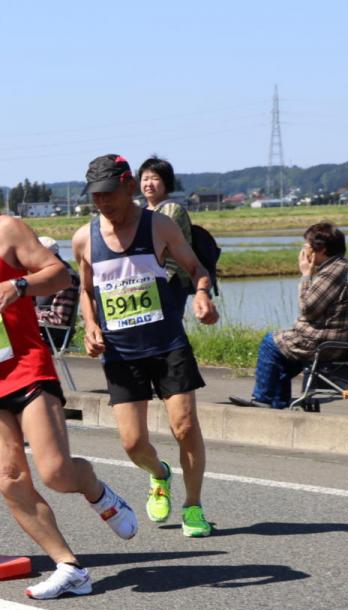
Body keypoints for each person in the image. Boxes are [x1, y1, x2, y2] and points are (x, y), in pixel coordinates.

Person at [0, 158, 138, 600]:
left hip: (26, 368)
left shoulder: (6, 231)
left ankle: (96, 490)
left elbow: (58, 274)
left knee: (55, 472)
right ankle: (69, 566)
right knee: (9, 477)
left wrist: (17, 287)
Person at [72, 154, 219, 538]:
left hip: (167, 342)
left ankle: (193, 506)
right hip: (121, 352)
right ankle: (159, 474)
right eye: (95, 197)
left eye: (109, 194)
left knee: (184, 426)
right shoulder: (84, 237)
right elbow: (85, 290)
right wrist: (89, 323)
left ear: (128, 185)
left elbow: (197, 269)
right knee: (132, 442)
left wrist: (203, 295)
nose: (103, 203)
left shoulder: (160, 226)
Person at [230, 221, 348, 410]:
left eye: (307, 246)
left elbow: (307, 307)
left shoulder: (334, 272)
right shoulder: (342, 267)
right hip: (335, 337)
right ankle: (277, 403)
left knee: (270, 343)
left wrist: (305, 274)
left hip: (326, 342)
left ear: (321, 249)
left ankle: (262, 399)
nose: (304, 250)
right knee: (283, 356)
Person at [138, 156, 195, 296]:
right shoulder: (142, 211)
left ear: (166, 182)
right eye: (145, 179)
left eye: (155, 179)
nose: (149, 184)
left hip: (171, 278)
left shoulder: (172, 209)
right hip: (148, 278)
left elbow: (157, 245)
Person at [34, 236, 80, 331]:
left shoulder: (66, 279)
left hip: (51, 334)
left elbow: (58, 319)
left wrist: (30, 314)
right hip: (40, 328)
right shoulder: (46, 274)